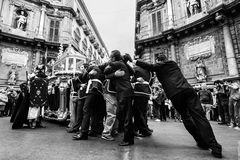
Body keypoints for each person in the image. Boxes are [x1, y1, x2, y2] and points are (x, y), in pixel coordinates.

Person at [133, 54, 222, 158]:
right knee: (200, 117)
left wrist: (135, 61)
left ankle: (201, 142)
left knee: (186, 117)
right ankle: (214, 146)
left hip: (175, 94)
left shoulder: (163, 65)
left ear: (158, 60)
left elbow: (152, 67)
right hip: (187, 90)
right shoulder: (172, 64)